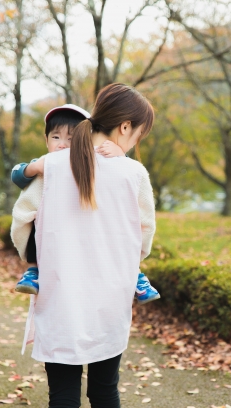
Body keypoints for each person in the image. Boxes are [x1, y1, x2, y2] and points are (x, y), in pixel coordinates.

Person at [15, 83, 156, 408]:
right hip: (110, 299)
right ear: (125, 128)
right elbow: (145, 235)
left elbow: (21, 222)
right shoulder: (132, 173)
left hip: (60, 297)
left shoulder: (51, 165)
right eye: (138, 134)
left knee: (63, 400)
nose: (135, 141)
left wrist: (34, 259)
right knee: (105, 392)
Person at [10, 104, 160, 304]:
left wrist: (28, 252)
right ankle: (135, 273)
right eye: (56, 137)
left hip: (59, 273)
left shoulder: (51, 168)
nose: (62, 145)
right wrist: (34, 167)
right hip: (110, 275)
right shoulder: (43, 165)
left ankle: (35, 269)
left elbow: (21, 218)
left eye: (70, 139)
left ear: (82, 139)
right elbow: (145, 226)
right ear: (46, 140)